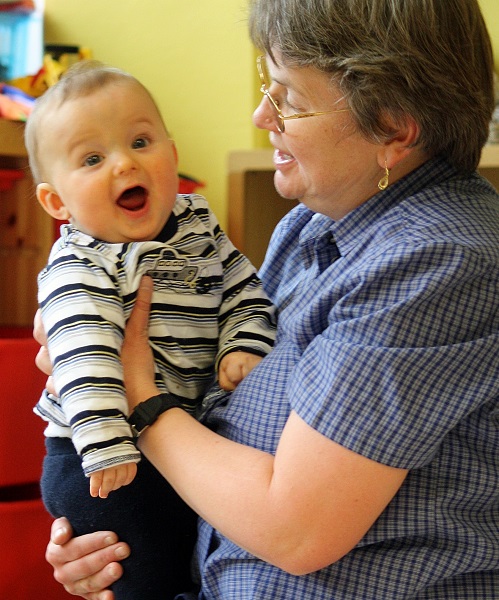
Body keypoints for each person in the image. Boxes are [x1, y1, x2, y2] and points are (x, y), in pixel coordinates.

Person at [36, 0, 499, 598]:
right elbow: (216, 426)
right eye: (266, 87)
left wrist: (138, 396)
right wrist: (119, 536)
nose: (261, 116)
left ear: (392, 127)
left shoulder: (436, 261)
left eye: (290, 100)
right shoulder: (312, 226)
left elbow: (296, 531)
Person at [26, 60, 276, 600]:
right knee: (144, 573)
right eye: (92, 158)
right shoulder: (81, 264)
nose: (124, 163)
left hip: (178, 440)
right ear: (57, 202)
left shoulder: (200, 227)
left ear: (172, 154)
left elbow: (243, 289)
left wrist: (242, 343)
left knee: (188, 561)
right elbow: (85, 358)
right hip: (100, 458)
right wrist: (106, 443)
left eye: (140, 142)